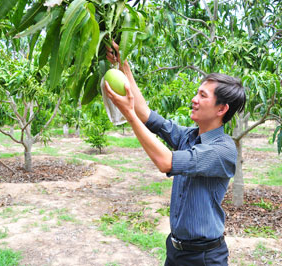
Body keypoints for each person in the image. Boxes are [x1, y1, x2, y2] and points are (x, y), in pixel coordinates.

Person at [105, 42, 246, 266]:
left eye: (202, 95)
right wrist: (124, 66)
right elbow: (148, 116)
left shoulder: (223, 150)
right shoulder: (188, 137)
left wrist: (128, 115)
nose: (194, 99)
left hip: (204, 258)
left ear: (221, 109)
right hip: (176, 250)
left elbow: (165, 162)